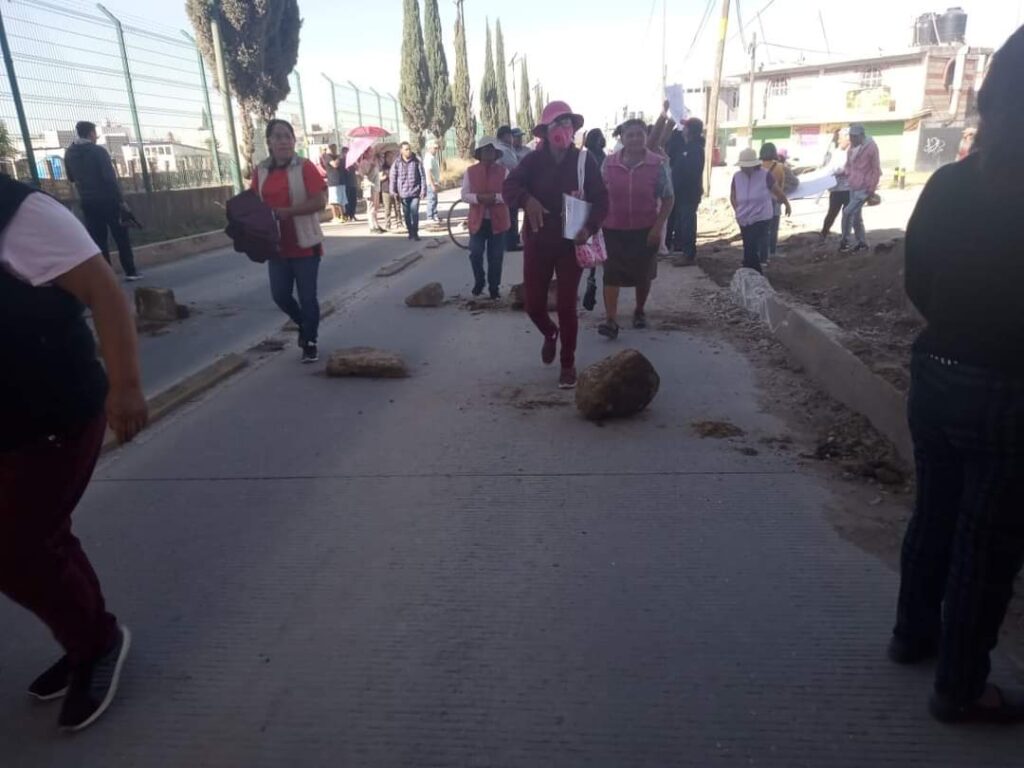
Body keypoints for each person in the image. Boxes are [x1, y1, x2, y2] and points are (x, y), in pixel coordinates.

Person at [890, 25, 1024, 725]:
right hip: (1008, 391)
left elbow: (917, 278)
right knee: (988, 541)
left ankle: (913, 635)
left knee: (935, 514)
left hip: (937, 374)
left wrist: (955, 329)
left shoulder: (949, 182)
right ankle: (962, 685)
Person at [0, 172, 148, 732]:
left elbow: (104, 291)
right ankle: (86, 630)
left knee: (16, 549)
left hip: (52, 416)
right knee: (39, 537)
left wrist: (127, 385)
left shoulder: (21, 214)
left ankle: (97, 640)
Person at [504, 100, 609, 390]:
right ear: (545, 132)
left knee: (566, 306)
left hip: (570, 243)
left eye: (568, 123)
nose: (564, 129)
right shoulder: (533, 161)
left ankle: (567, 362)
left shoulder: (584, 161)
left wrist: (589, 228)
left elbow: (602, 199)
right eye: (557, 124)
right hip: (538, 240)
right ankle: (550, 333)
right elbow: (509, 187)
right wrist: (527, 200)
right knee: (534, 305)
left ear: (574, 128)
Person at [252, 119, 327, 364]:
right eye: (277, 137)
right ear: (269, 143)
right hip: (276, 247)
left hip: (305, 244)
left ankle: (310, 342)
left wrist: (288, 211)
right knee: (280, 295)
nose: (283, 141)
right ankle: (305, 325)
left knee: (307, 297)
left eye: (287, 136)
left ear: (294, 141)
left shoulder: (304, 167)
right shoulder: (261, 170)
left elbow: (319, 202)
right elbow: (254, 202)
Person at [597, 118, 674, 340]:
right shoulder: (608, 163)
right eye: (629, 135)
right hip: (612, 229)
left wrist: (657, 228)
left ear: (645, 137)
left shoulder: (657, 164)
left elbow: (668, 199)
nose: (634, 139)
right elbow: (600, 194)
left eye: (639, 134)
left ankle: (639, 310)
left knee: (643, 274)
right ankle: (611, 320)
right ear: (622, 138)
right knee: (611, 274)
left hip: (645, 229)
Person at [64, 121, 140, 281]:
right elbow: (109, 179)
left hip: (87, 201)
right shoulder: (98, 151)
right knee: (121, 237)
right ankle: (131, 271)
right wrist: (121, 201)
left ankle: (106, 276)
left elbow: (71, 177)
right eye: (95, 133)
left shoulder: (70, 153)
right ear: (91, 133)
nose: (96, 136)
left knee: (98, 240)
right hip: (108, 200)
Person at [462, 137, 510, 300]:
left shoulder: (504, 172)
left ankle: (494, 287)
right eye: (485, 150)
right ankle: (479, 281)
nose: (488, 153)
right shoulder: (470, 171)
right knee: (475, 253)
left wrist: (495, 198)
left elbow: (509, 195)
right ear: (479, 153)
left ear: (496, 154)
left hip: (499, 221)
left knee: (495, 257)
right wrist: (479, 198)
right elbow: (465, 195)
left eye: (491, 150)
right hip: (478, 221)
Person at [731, 148, 790, 274]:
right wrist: (737, 210)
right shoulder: (737, 177)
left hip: (761, 216)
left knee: (752, 244)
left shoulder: (765, 174)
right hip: (743, 217)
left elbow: (777, 190)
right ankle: (749, 269)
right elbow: (733, 195)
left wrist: (786, 203)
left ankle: (755, 271)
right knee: (747, 244)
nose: (745, 169)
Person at [666, 117, 705, 263]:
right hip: (680, 193)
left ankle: (688, 254)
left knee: (687, 223)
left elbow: (691, 173)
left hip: (688, 193)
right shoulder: (687, 147)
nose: (683, 130)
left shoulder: (695, 149)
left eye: (686, 127)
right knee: (681, 224)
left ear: (690, 130)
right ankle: (682, 250)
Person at [840, 123, 881, 253]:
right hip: (853, 184)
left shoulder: (871, 147)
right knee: (856, 217)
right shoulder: (853, 147)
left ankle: (845, 241)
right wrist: (846, 173)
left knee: (847, 212)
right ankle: (861, 243)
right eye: (851, 136)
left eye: (854, 136)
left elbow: (876, 169)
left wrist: (871, 188)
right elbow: (849, 164)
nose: (852, 139)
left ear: (861, 136)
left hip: (864, 187)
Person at [496, 126, 524, 252]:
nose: (512, 139)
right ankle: (511, 243)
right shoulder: (504, 150)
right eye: (511, 136)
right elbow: (514, 167)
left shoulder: (507, 149)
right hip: (506, 185)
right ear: (505, 136)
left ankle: (512, 239)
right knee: (511, 214)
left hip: (504, 184)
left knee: (510, 213)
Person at [390, 142, 424, 242]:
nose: (408, 151)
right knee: (406, 214)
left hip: (415, 192)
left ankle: (415, 232)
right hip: (403, 193)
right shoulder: (397, 163)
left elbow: (422, 176)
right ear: (401, 150)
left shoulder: (416, 161)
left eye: (409, 149)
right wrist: (393, 191)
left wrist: (423, 190)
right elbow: (393, 177)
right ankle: (410, 231)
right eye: (406, 149)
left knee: (415, 213)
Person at [759, 142, 787, 264]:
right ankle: (772, 252)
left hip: (760, 202)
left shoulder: (757, 167)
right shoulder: (780, 167)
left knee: (762, 229)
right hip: (775, 200)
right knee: (773, 229)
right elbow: (781, 186)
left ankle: (761, 252)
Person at [820, 129, 851, 239]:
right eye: (839, 138)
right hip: (836, 189)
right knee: (832, 213)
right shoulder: (836, 153)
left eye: (841, 138)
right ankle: (824, 232)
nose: (839, 141)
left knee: (847, 215)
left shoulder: (853, 153)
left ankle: (845, 237)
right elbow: (830, 168)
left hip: (848, 190)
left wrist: (841, 170)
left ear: (848, 139)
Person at [360, 153, 385, 234]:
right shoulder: (363, 162)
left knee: (376, 207)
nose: (372, 153)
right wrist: (372, 166)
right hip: (369, 187)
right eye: (370, 151)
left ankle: (376, 225)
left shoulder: (373, 161)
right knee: (371, 208)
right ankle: (372, 226)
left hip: (376, 187)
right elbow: (365, 174)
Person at [320, 143, 346, 222]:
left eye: (334, 147)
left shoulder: (337, 156)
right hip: (333, 181)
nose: (333, 149)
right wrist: (339, 157)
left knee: (341, 201)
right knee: (333, 201)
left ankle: (342, 216)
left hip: (340, 180)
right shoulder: (327, 156)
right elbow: (334, 164)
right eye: (331, 148)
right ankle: (336, 217)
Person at [379, 151, 402, 231]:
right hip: (386, 189)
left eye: (391, 156)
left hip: (395, 189)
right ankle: (387, 224)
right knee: (387, 208)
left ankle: (399, 223)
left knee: (397, 206)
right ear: (385, 158)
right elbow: (379, 178)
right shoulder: (383, 167)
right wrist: (386, 176)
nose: (390, 158)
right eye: (388, 157)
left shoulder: (396, 166)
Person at [423, 138, 442, 224]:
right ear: (429, 148)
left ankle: (434, 215)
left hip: (435, 182)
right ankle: (430, 216)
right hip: (431, 183)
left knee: (435, 199)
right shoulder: (428, 158)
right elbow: (428, 172)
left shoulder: (432, 157)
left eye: (437, 148)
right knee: (431, 199)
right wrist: (432, 184)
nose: (436, 150)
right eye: (435, 148)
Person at [341, 147, 359, 222]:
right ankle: (347, 215)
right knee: (347, 201)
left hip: (353, 182)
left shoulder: (352, 161)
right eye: (346, 153)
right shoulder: (342, 161)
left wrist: (354, 162)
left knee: (353, 200)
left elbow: (357, 168)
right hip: (346, 183)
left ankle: (352, 214)